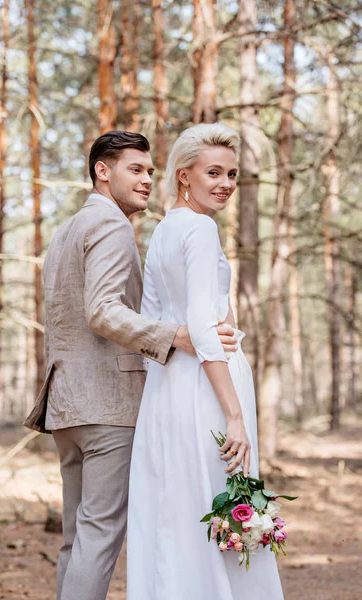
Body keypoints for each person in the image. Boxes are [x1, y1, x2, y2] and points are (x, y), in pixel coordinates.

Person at [24, 130, 238, 600]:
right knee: (98, 539)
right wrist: (175, 335)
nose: (146, 180)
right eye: (135, 169)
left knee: (76, 539)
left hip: (67, 405)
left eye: (149, 172)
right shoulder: (111, 225)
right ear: (103, 171)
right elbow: (101, 311)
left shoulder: (66, 230)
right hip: (107, 407)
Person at [127, 123, 284, 600]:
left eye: (232, 174)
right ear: (183, 176)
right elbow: (198, 322)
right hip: (207, 389)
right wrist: (234, 414)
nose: (225, 184)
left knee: (177, 505)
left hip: (168, 388)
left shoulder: (164, 231)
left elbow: (154, 322)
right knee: (216, 495)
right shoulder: (198, 227)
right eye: (213, 172)